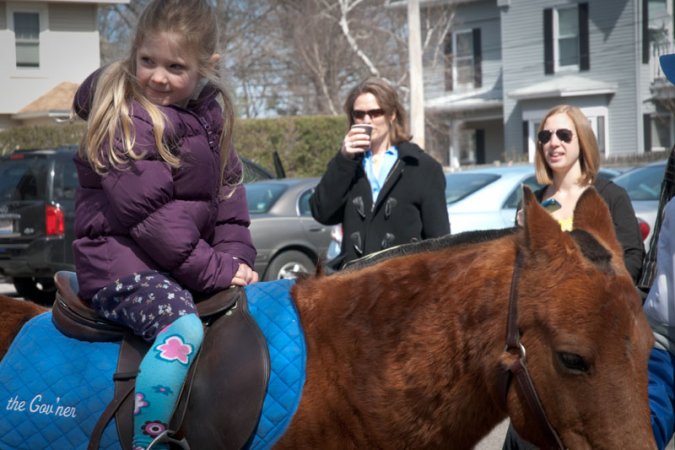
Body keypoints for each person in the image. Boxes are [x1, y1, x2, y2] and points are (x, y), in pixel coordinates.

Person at [71, 1, 258, 449]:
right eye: (148, 61)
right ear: (133, 52)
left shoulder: (210, 120)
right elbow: (151, 219)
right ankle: (150, 441)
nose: (157, 76)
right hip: (123, 266)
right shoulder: (129, 116)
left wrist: (237, 261)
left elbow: (228, 200)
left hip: (173, 262)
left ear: (207, 68)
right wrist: (215, 270)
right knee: (183, 329)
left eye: (176, 66)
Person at [504, 104, 644, 450]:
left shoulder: (610, 197)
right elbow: (515, 272)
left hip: (596, 341)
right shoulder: (533, 203)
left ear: (582, 140)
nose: (554, 143)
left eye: (564, 135)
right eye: (545, 136)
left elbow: (631, 258)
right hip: (545, 347)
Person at [310, 78, 449, 268]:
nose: (367, 120)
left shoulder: (421, 166)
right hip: (356, 284)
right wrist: (344, 159)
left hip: (403, 284)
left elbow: (440, 242)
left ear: (392, 114)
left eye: (375, 113)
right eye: (359, 114)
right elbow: (322, 213)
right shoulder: (348, 164)